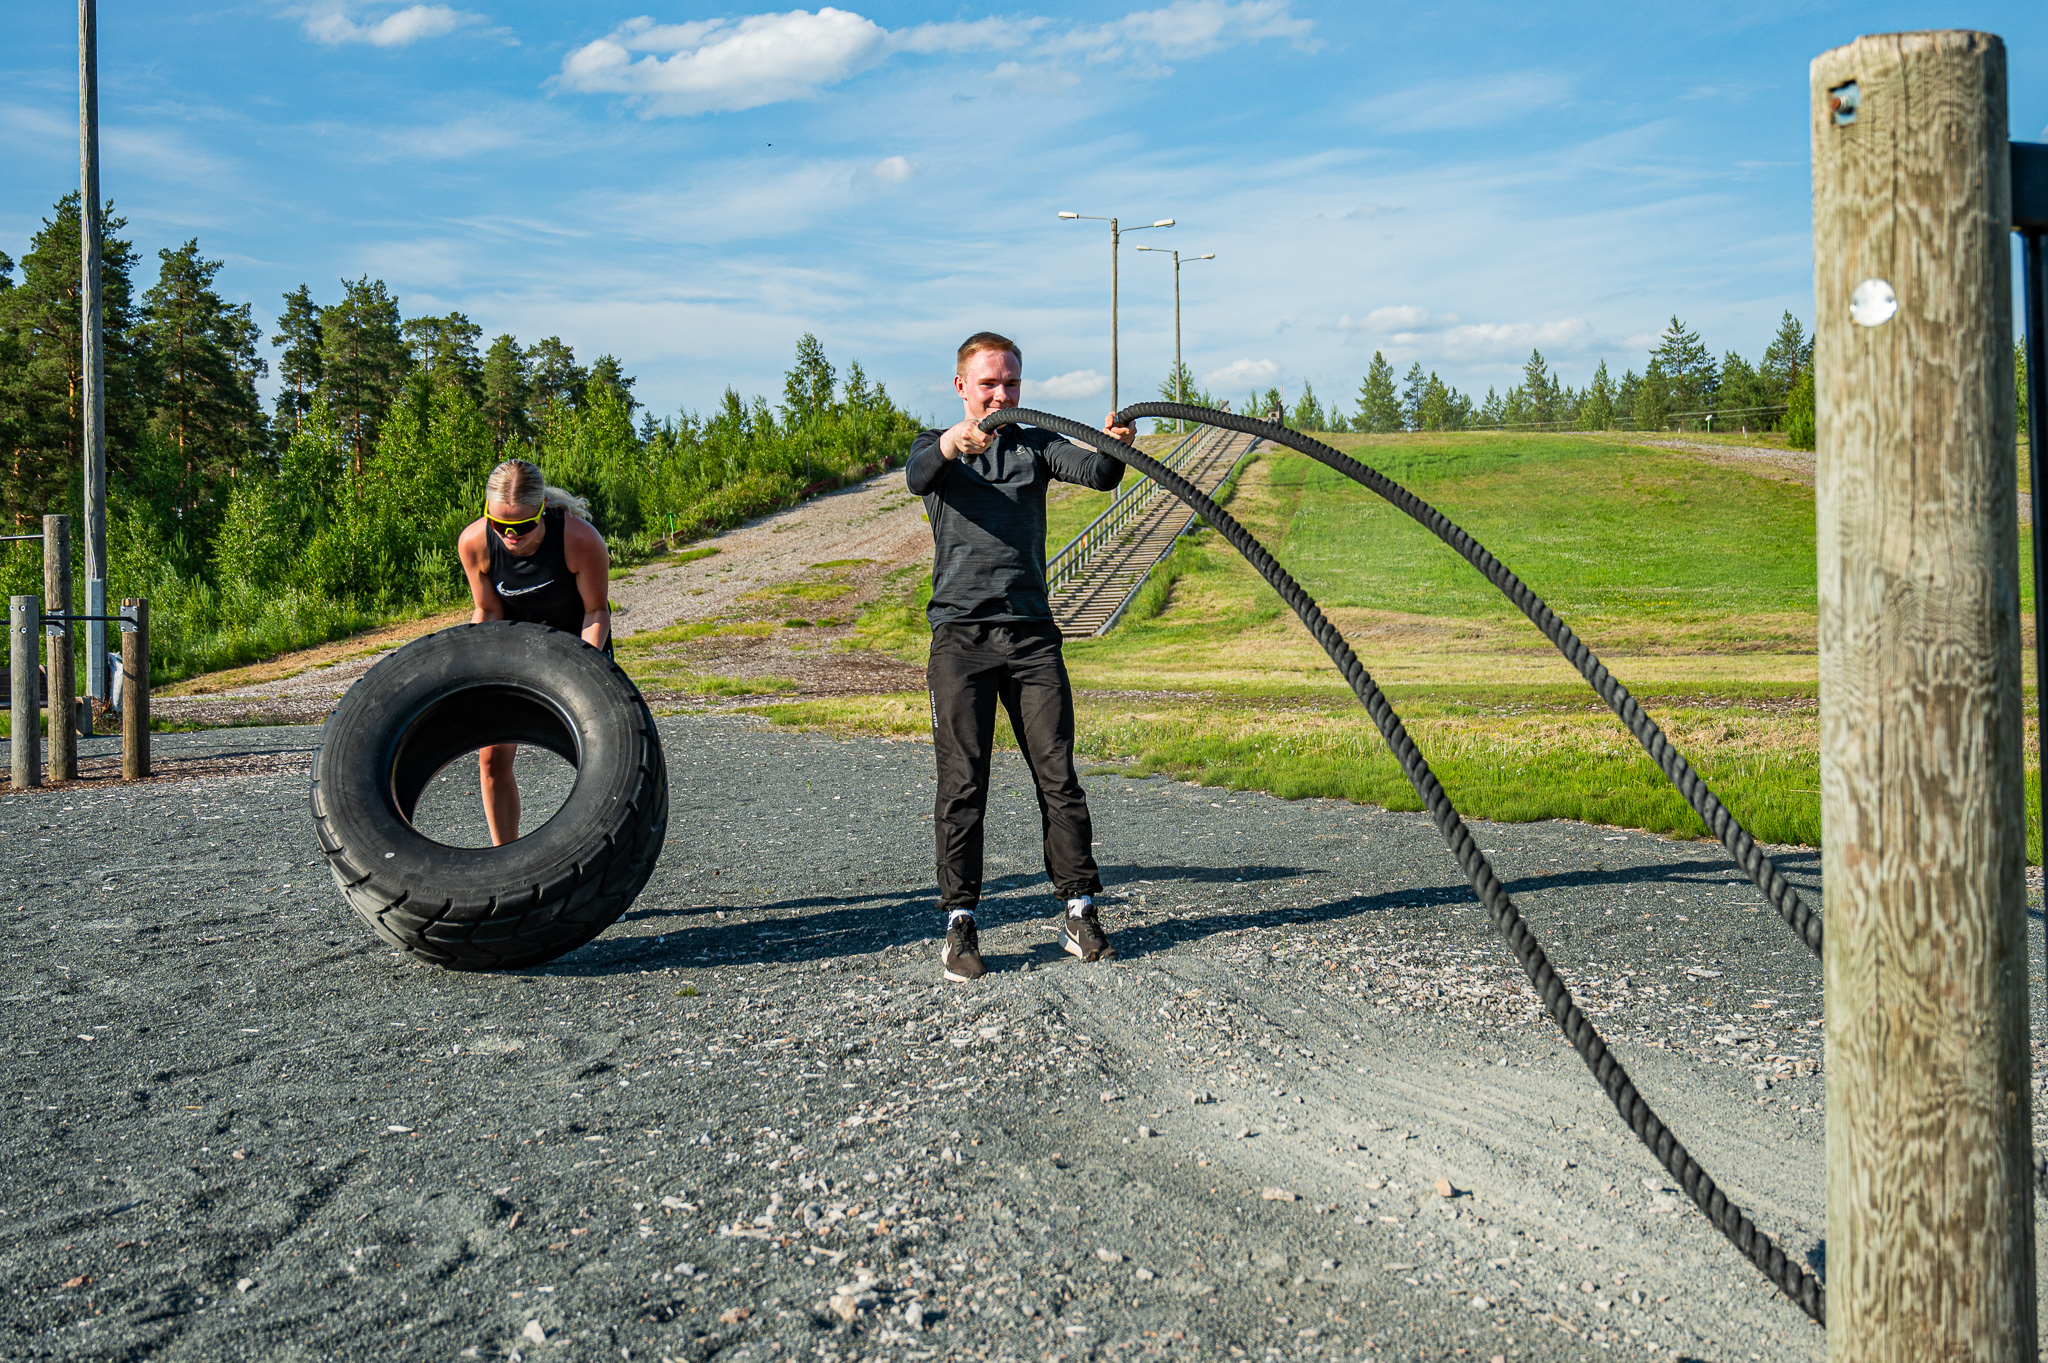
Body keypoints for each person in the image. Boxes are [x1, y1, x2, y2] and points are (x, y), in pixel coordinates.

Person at [905, 331, 1134, 983]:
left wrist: (1115, 443)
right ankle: (960, 922)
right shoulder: (935, 448)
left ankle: (1079, 910)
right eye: (989, 384)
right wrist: (955, 441)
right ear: (962, 387)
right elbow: (919, 473)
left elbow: (1099, 474)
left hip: (1032, 636)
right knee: (963, 782)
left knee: (1057, 774)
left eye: (1011, 383)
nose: (1002, 394)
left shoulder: (1035, 444)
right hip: (961, 639)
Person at [457, 458, 613, 846]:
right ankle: (505, 859)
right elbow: (489, 610)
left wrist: (588, 671)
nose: (512, 536)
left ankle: (604, 864)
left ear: (543, 509)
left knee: (601, 765)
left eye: (524, 526)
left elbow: (596, 610)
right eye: (500, 525)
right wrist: (475, 671)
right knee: (491, 758)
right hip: (516, 653)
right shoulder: (475, 543)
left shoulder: (579, 540)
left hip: (578, 647)